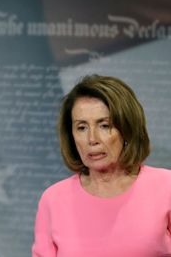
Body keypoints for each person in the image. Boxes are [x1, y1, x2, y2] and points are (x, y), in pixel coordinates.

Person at [32, 74, 171, 256]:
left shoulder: (166, 187)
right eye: (82, 127)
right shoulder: (53, 200)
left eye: (104, 125)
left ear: (127, 129)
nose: (92, 139)